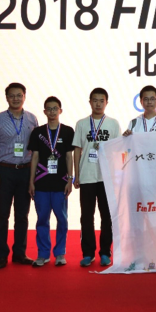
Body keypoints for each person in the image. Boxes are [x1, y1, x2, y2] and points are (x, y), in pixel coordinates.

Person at [0, 82, 39, 269]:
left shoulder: (32, 119)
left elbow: (36, 149)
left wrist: (34, 176)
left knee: (22, 215)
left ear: (24, 96)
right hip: (4, 171)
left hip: (25, 171)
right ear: (6, 97)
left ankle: (20, 253)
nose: (16, 98)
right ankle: (1, 255)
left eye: (19, 95)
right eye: (12, 95)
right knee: (2, 215)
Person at [73, 88, 121, 267]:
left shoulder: (113, 124)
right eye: (95, 100)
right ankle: (88, 253)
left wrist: (116, 176)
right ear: (90, 102)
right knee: (86, 217)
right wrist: (76, 175)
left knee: (107, 217)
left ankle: (105, 252)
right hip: (87, 176)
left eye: (102, 100)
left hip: (106, 177)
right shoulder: (81, 124)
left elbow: (118, 150)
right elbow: (77, 150)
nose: (98, 104)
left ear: (106, 102)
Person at [27, 96, 75, 267]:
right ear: (44, 111)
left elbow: (69, 157)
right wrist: (31, 181)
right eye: (49, 108)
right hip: (41, 183)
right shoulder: (38, 132)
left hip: (60, 183)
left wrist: (70, 179)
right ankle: (43, 254)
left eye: (55, 108)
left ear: (60, 111)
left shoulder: (68, 131)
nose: (52, 111)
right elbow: (34, 157)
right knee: (42, 219)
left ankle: (60, 253)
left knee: (62, 219)